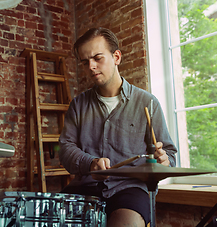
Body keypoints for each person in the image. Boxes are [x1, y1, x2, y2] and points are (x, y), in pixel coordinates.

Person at [59, 27, 177, 227]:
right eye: (85, 62)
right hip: (86, 187)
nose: (91, 66)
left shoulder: (148, 103)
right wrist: (90, 163)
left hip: (130, 190)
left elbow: (170, 155)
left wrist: (164, 161)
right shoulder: (78, 105)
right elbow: (64, 150)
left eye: (98, 58)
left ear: (117, 57)